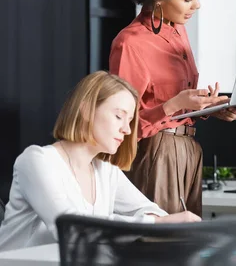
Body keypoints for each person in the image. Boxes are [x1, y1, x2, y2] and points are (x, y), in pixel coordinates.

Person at [109, 0, 236, 215]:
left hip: (188, 150)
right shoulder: (131, 43)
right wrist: (175, 104)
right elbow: (122, 127)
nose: (197, 5)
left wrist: (210, 107)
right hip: (156, 154)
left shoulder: (178, 31)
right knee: (159, 246)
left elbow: (178, 104)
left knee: (187, 243)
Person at [0, 71, 201, 252]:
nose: (127, 130)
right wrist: (156, 223)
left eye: (130, 121)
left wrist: (159, 220)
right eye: (118, 116)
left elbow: (151, 211)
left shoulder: (105, 171)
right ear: (86, 110)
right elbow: (71, 228)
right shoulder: (37, 161)